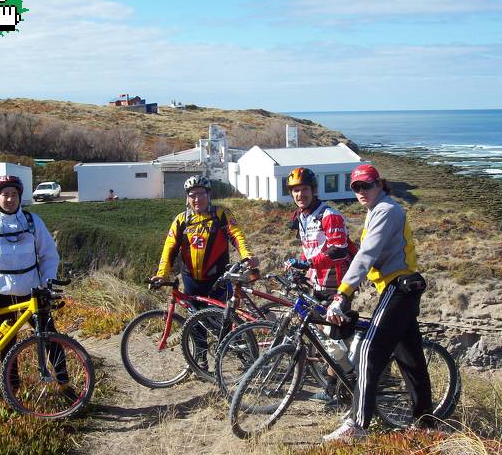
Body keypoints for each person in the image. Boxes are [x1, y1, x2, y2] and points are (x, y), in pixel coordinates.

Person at [322, 164, 432, 443]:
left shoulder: (386, 211)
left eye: (367, 185)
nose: (361, 191)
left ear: (380, 184)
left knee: (369, 351)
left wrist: (343, 293)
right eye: (356, 187)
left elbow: (367, 255)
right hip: (399, 288)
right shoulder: (378, 211)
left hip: (399, 288)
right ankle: (425, 423)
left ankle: (357, 425)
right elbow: (363, 255)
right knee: (410, 358)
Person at [0, 175, 67, 389]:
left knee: (50, 337)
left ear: (19, 197)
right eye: (4, 195)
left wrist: (47, 285)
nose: (9, 199)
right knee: (6, 345)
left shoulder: (33, 222)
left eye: (13, 194)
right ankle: (12, 390)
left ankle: (65, 384)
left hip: (32, 292)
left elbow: (49, 254)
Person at [151, 175, 258, 367]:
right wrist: (162, 274)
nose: (197, 198)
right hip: (191, 279)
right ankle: (200, 362)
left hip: (218, 279)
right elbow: (169, 249)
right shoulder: (181, 220)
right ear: (187, 198)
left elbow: (236, 235)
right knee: (195, 322)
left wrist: (246, 255)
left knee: (223, 321)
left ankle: (246, 357)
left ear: (209, 195)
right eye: (192, 195)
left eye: (201, 194)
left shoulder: (220, 214)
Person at [284, 167, 357, 404]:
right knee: (326, 339)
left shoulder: (329, 215)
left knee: (332, 340)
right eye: (295, 191)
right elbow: (312, 248)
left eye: (304, 189)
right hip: (317, 283)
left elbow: (338, 250)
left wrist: (307, 263)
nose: (299, 194)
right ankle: (339, 382)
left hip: (337, 284)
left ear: (313, 190)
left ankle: (341, 385)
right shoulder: (302, 217)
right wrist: (300, 267)